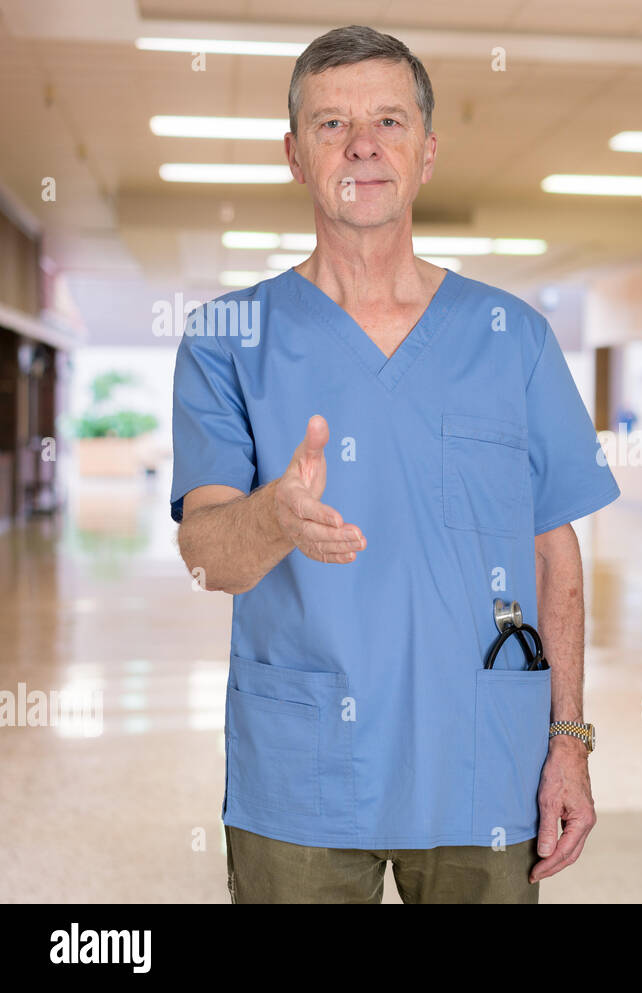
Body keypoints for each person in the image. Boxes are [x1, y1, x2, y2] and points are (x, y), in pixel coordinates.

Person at [170, 24, 619, 904]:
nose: (363, 144)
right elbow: (205, 554)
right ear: (296, 153)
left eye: (389, 120)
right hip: (302, 774)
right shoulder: (229, 339)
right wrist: (272, 516)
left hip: (483, 764)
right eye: (332, 124)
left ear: (427, 149)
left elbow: (553, 554)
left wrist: (569, 738)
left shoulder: (512, 337)